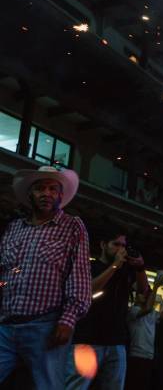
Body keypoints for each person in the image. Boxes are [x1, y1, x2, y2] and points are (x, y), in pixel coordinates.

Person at [0, 166, 91, 389]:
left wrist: (68, 319)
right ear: (30, 194)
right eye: (40, 188)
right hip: (6, 325)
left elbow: (79, 275)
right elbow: (4, 274)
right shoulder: (14, 228)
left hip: (46, 326)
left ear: (61, 195)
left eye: (53, 189)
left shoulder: (72, 226)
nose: (46, 194)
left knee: (48, 386)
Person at [66, 232, 150, 389]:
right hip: (87, 339)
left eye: (123, 245)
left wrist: (140, 268)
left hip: (116, 341)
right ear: (103, 245)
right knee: (76, 386)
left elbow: (143, 291)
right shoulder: (89, 266)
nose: (121, 249)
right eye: (116, 244)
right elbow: (88, 291)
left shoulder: (126, 270)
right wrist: (113, 266)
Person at [125, 272, 163, 390]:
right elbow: (147, 308)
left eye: (145, 294)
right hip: (136, 355)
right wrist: (156, 286)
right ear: (135, 296)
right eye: (141, 293)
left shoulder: (151, 313)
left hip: (149, 356)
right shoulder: (132, 311)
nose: (144, 295)